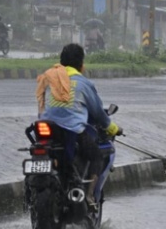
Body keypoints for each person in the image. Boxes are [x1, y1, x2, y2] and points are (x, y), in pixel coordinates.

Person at [35, 43, 121, 209]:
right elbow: (98, 114)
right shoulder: (83, 83)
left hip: (46, 128)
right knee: (96, 155)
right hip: (70, 130)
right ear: (82, 65)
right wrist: (114, 129)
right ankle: (89, 196)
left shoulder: (49, 78)